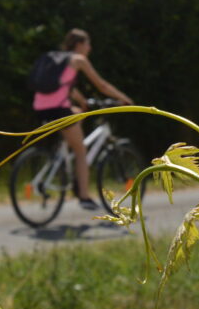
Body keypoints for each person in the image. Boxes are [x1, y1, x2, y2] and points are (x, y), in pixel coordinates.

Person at [32, 28, 133, 210]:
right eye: (88, 44)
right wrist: (124, 99)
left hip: (40, 108)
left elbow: (66, 88)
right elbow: (101, 85)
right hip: (59, 111)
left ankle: (64, 154)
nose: (90, 48)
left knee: (78, 111)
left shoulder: (58, 60)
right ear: (79, 44)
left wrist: (83, 102)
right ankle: (84, 196)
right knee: (81, 150)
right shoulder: (78, 60)